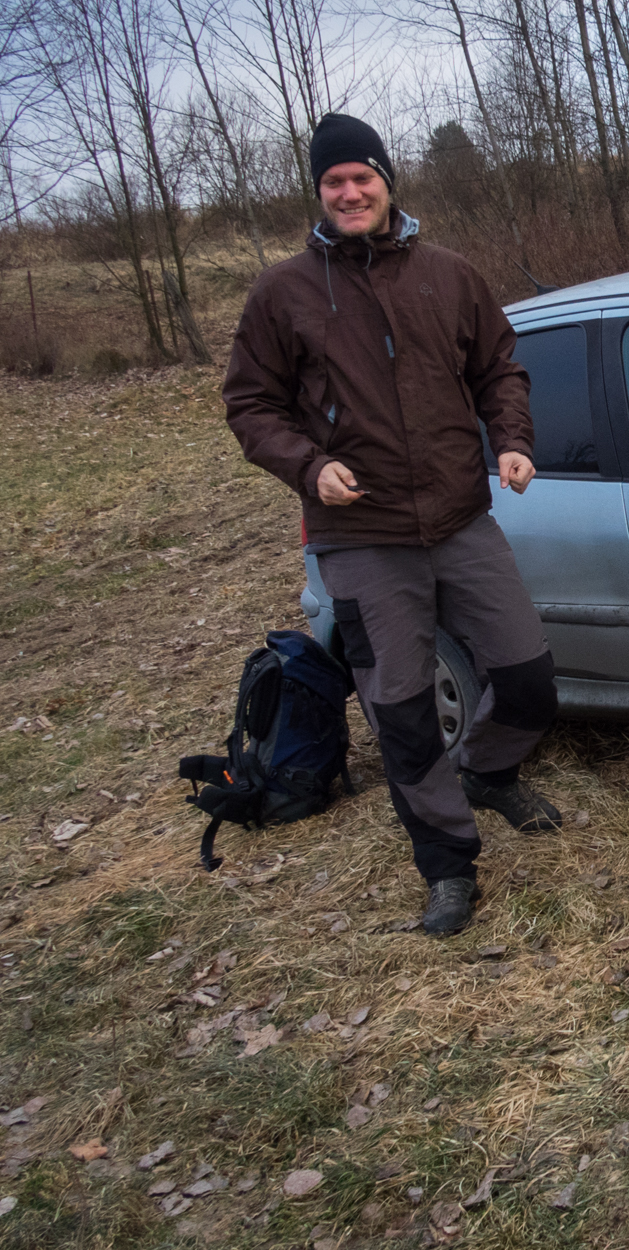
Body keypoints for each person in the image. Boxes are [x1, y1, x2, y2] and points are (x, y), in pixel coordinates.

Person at [223, 112, 562, 936]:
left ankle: (485, 769)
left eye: (361, 177)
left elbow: (499, 369)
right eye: (333, 181)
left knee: (527, 679)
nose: (349, 191)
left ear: (386, 181)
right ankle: (447, 865)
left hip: (460, 518)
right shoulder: (284, 291)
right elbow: (250, 404)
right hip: (362, 535)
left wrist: (511, 441)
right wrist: (308, 466)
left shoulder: (448, 274)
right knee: (403, 712)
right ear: (318, 193)